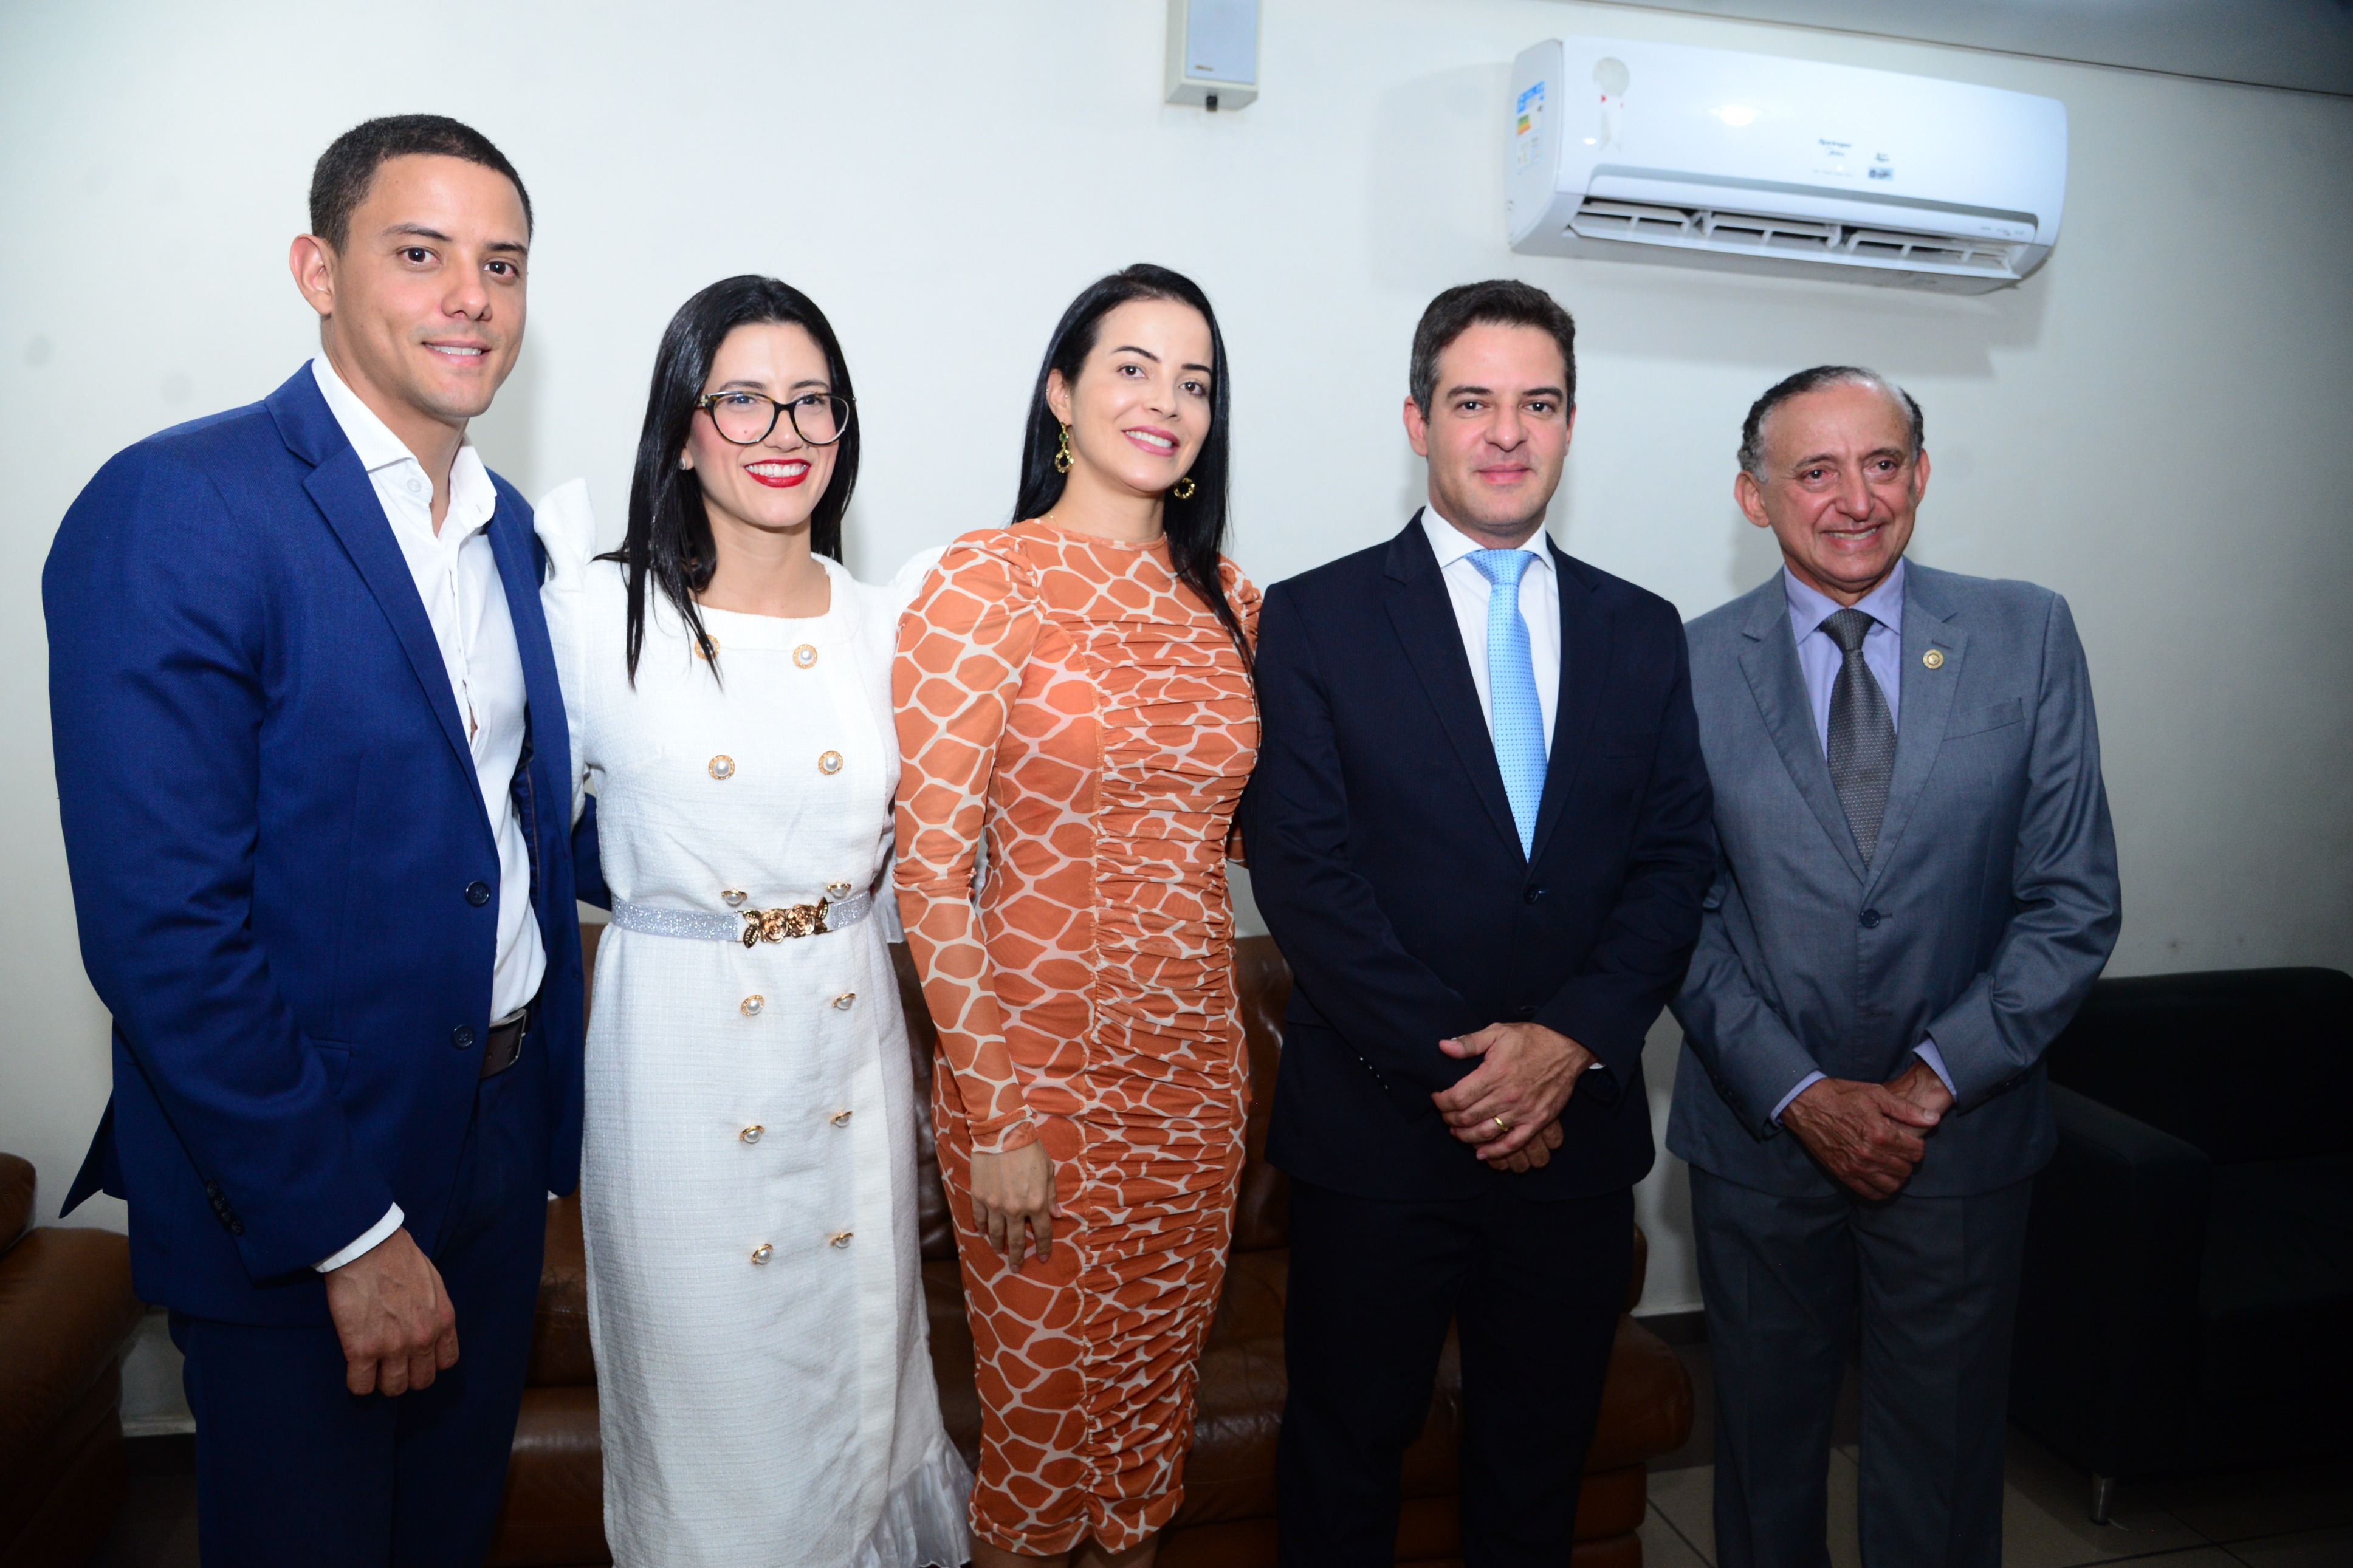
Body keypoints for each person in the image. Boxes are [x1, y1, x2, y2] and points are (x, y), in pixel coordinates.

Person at [43, 115, 585, 1564]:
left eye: (503, 264)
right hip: (304, 1183)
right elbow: (163, 930)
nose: (471, 296)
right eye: (420, 253)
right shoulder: (182, 503)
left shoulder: (505, 530)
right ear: (318, 270)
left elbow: (502, 831)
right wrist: (349, 1230)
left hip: (494, 1142)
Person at [1247, 279, 1717, 1566]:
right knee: (1344, 1459)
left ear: (1569, 424)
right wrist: (1480, 1075)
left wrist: (1566, 1042)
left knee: (1535, 1468)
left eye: (1539, 403)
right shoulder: (1315, 618)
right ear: (1418, 420)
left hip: (1576, 1140)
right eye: (1473, 402)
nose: (1507, 432)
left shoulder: (1640, 628)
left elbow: (1675, 861)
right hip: (1378, 1134)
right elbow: (1306, 877)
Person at [534, 275, 969, 1567]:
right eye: (742, 400)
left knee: (859, 1398)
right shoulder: (594, 614)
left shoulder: (892, 624)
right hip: (680, 1063)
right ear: (681, 430)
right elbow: (507, 846)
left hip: (847, 1053)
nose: (783, 431)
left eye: (811, 401)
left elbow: (932, 866)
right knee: (713, 1428)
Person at [1669, 366, 2120, 1568]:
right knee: (1764, 1465)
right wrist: (1801, 1092)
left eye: (1881, 463)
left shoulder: (2027, 633)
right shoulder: (1683, 664)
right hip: (1761, 1136)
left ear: (1919, 474)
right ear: (1754, 497)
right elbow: (1674, 911)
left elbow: (2072, 899)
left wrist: (1930, 1080)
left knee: (1942, 1472)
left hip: (1960, 1139)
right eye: (1815, 470)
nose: (1855, 499)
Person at [893, 264, 1260, 1567]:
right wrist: (996, 1116)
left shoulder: (1231, 600)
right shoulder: (981, 582)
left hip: (1194, 1087)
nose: (1166, 402)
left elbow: (1242, 838)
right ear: (1061, 391)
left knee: (1146, 1451)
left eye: (1194, 382)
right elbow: (930, 876)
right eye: (1132, 368)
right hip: (1032, 1084)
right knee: (1041, 1459)